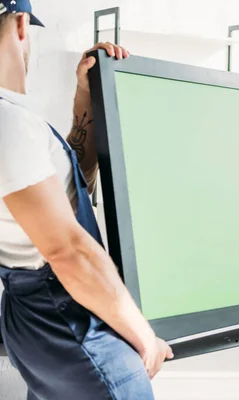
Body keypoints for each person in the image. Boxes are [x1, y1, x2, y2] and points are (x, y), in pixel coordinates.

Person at [0, 1, 173, 398]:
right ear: (22, 26)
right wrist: (143, 336)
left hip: (38, 320)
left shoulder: (12, 122)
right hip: (72, 319)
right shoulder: (9, 125)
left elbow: (61, 188)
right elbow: (68, 250)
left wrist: (85, 93)